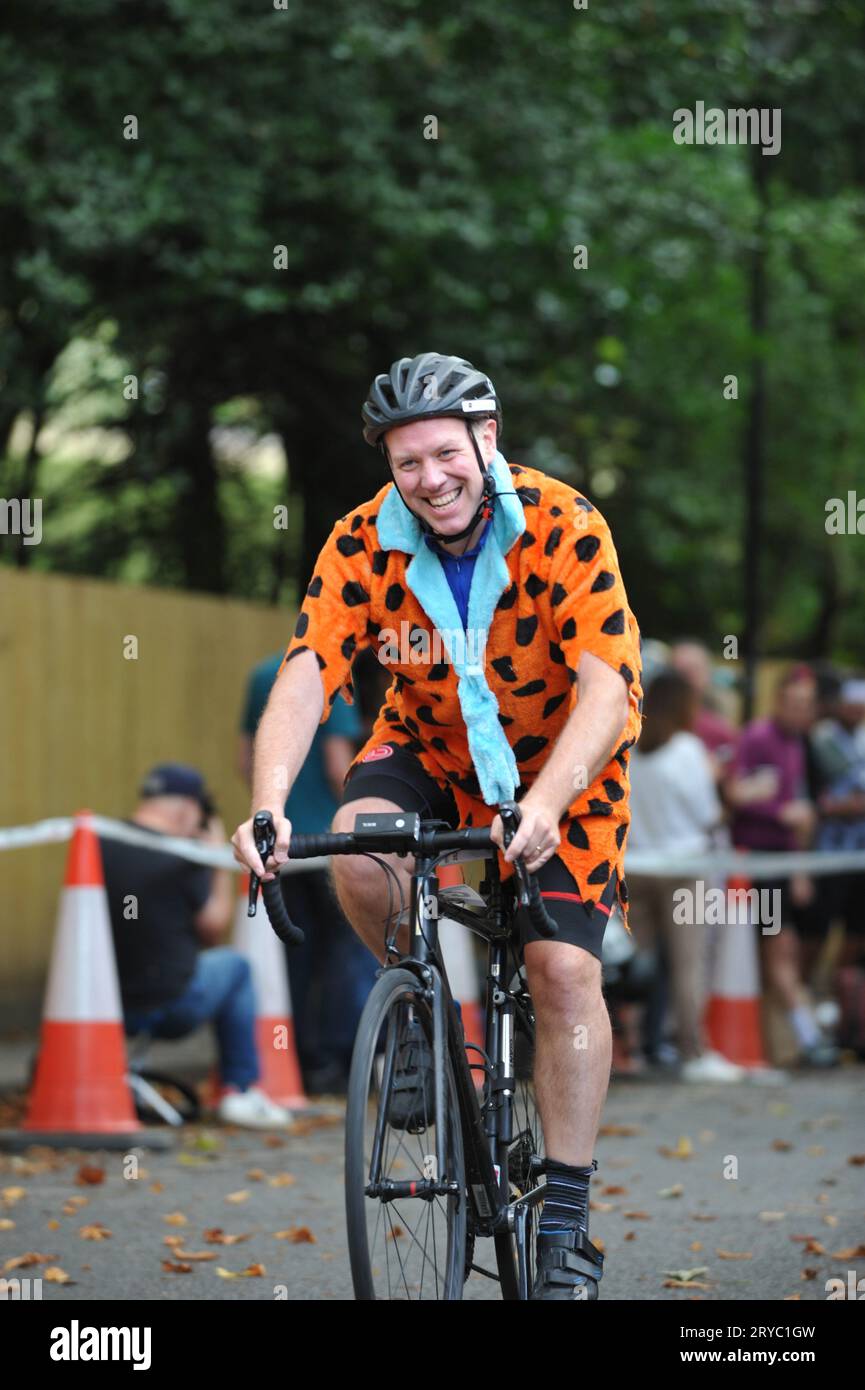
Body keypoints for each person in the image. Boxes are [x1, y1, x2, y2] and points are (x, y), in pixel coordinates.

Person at [233, 351, 644, 1299]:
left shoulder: (564, 522)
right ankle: (418, 1017)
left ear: (484, 440)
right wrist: (266, 801)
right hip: (430, 745)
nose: (429, 479)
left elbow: (605, 687)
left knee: (562, 968)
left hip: (562, 764)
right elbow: (307, 672)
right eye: (406, 462)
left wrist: (543, 806)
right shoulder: (361, 540)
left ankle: (567, 1219)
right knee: (365, 848)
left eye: (443, 454)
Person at [100, 763, 293, 1127]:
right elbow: (213, 926)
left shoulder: (101, 842)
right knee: (237, 967)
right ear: (190, 810)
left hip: (105, 1006)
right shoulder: (185, 855)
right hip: (171, 1004)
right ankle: (240, 1089)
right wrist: (216, 860)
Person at [238, 655, 378, 1093]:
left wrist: (276, 808)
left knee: (295, 953)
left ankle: (300, 1058)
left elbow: (248, 760)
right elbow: (338, 766)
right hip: (327, 842)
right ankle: (340, 1063)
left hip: (280, 841)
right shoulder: (332, 669)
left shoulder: (263, 675)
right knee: (346, 953)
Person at [626, 670, 742, 1081]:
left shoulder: (632, 748)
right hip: (684, 868)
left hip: (636, 867)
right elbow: (708, 816)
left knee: (637, 964)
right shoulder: (689, 750)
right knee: (687, 964)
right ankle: (691, 1050)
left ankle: (635, 1046)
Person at [727, 667, 838, 1067]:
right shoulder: (758, 737)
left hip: (784, 863)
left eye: (807, 704)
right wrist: (781, 813)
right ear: (779, 702)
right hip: (758, 862)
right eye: (795, 703)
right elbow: (736, 792)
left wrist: (799, 868)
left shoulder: (797, 742)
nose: (802, 711)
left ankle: (789, 1041)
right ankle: (805, 1039)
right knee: (778, 952)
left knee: (785, 952)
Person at [811, 676, 865, 968]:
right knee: (819, 927)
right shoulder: (823, 738)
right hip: (829, 852)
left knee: (855, 931)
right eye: (852, 706)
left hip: (859, 855)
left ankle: (839, 993)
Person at [670, 640, 739, 785]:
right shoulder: (646, 723)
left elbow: (733, 782)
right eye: (679, 672)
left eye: (693, 671)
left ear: (707, 674)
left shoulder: (720, 729)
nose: (686, 680)